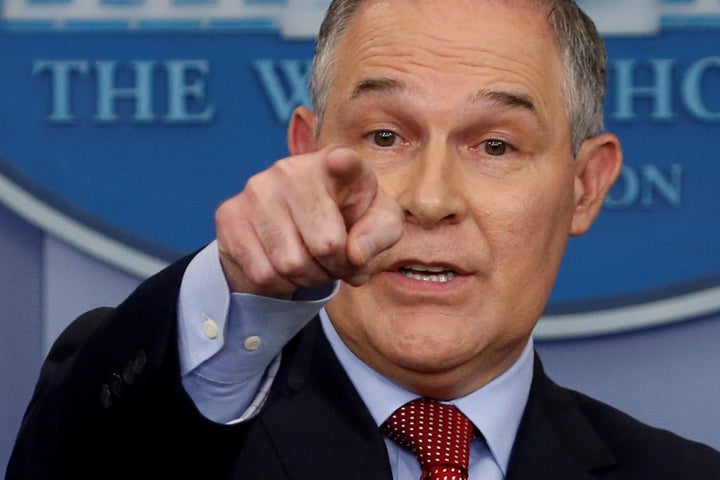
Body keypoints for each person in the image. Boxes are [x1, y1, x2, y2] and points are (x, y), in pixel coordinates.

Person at [7, 0, 720, 478]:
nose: (431, 199)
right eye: (385, 136)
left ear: (586, 186)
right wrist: (238, 285)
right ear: (305, 157)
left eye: (495, 146)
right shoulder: (170, 425)